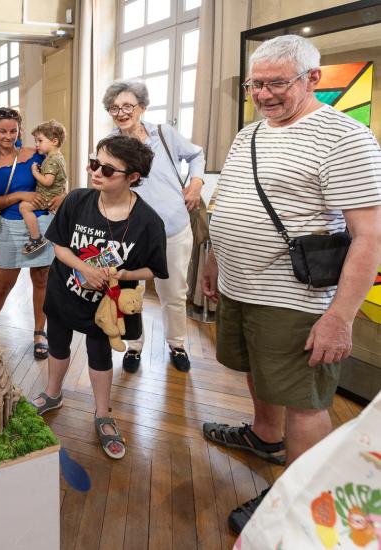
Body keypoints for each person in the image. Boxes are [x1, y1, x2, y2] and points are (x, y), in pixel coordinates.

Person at [200, 34, 381, 534]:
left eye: (276, 83)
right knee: (257, 370)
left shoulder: (344, 138)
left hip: (295, 298)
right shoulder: (250, 133)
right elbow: (230, 200)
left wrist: (339, 317)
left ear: (313, 79)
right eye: (255, 84)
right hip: (240, 285)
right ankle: (264, 436)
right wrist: (215, 258)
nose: (262, 95)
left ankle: (297, 498)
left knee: (304, 399)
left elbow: (369, 236)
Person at [32, 135, 168, 459]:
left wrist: (124, 275)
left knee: (100, 354)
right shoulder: (77, 200)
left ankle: (103, 413)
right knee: (58, 343)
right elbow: (59, 245)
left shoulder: (148, 221)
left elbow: (154, 269)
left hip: (103, 307)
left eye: (107, 169)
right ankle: (52, 394)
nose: (96, 172)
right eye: (94, 163)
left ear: (132, 177)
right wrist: (85, 269)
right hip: (65, 292)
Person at [103, 80, 206, 373]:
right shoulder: (110, 144)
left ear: (142, 107)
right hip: (129, 232)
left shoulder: (163, 133)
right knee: (128, 291)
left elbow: (196, 155)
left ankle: (177, 344)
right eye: (114, 108)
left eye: (127, 106)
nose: (121, 113)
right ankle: (134, 346)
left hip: (173, 227)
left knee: (173, 292)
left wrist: (196, 184)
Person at [0, 107, 64, 360]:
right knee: (3, 284)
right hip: (11, 228)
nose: (8, 136)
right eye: (2, 131)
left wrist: (62, 195)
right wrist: (18, 196)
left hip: (41, 223)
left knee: (42, 280)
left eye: (13, 131)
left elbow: (56, 179)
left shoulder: (34, 155)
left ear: (19, 131)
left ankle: (39, 333)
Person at [20, 119, 68, 254]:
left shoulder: (51, 159)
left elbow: (48, 181)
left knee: (24, 207)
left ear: (54, 141)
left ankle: (36, 238)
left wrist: (35, 172)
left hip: (48, 196)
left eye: (40, 141)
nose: (36, 145)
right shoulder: (58, 157)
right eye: (36, 141)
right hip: (55, 194)